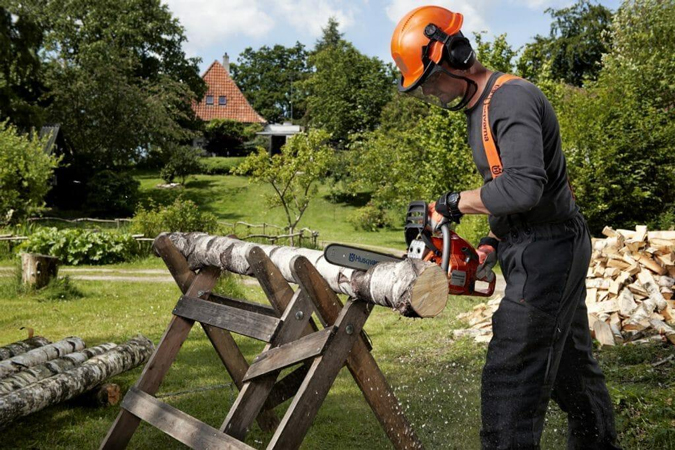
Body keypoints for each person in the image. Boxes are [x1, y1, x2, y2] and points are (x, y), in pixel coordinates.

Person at [390, 6, 621, 449]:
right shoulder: (481, 109)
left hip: (550, 248)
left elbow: (523, 188)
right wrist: (492, 243)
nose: (434, 95)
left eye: (433, 82)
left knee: (511, 373)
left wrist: (453, 203)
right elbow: (504, 186)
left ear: (456, 54)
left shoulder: (511, 98)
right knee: (571, 368)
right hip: (532, 243)